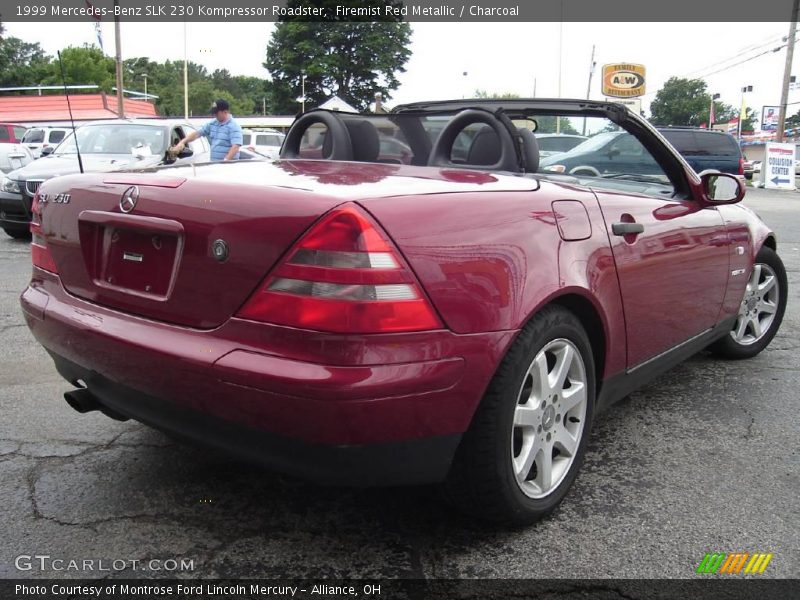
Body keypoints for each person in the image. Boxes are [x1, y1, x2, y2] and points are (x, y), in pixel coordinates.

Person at [172, 99, 242, 161]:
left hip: (228, 167)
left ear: (225, 112)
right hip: (214, 164)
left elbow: (235, 146)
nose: (215, 115)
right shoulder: (212, 123)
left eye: (217, 113)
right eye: (214, 113)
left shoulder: (234, 126)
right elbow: (197, 134)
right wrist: (183, 142)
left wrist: (225, 161)